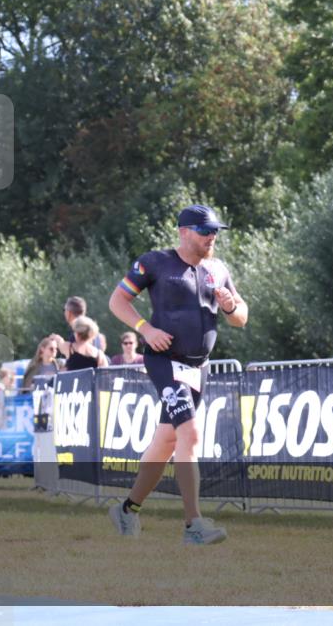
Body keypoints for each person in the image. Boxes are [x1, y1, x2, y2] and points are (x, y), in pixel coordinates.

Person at [108, 204, 248, 545]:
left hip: (199, 368)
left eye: (215, 231)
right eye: (205, 231)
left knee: (166, 441)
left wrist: (230, 305)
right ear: (184, 232)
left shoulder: (218, 269)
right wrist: (145, 329)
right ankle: (194, 525)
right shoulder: (155, 262)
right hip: (164, 360)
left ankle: (127, 509)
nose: (212, 237)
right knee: (190, 434)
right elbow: (117, 301)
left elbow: (241, 317)